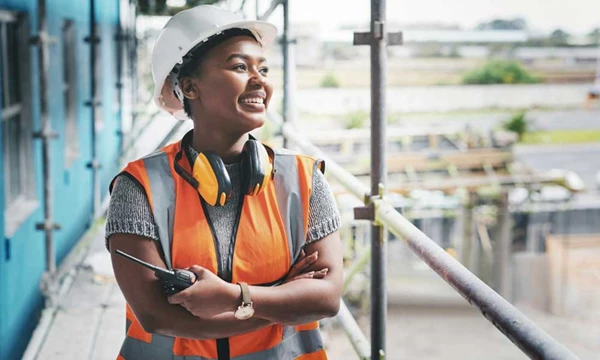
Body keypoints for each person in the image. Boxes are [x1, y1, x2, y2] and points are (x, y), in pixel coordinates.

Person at [106, 5, 343, 360]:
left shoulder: (304, 180)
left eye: (263, 68)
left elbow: (326, 298)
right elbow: (155, 316)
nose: (260, 79)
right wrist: (283, 297)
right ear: (190, 87)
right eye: (239, 66)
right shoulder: (138, 187)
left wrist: (234, 298)